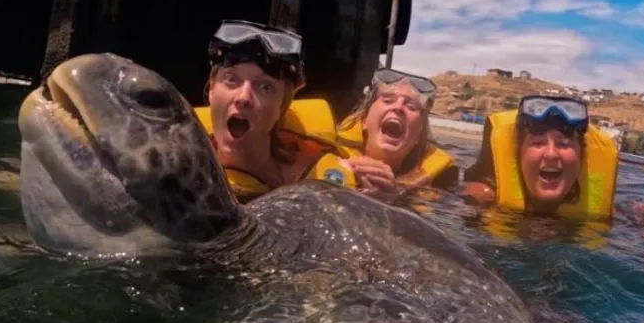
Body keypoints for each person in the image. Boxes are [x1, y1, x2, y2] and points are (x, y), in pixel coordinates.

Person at [194, 20, 354, 201]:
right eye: (232, 79)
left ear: (281, 108)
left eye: (265, 87)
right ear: (212, 90)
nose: (243, 97)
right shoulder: (182, 170)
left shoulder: (316, 173)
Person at [461, 95, 618, 218]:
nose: (551, 154)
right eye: (538, 143)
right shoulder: (478, 200)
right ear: (519, 153)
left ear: (582, 155)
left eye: (563, 144)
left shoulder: (613, 216)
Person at [334, 68, 459, 199]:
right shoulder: (326, 152)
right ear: (364, 120)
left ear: (419, 135)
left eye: (411, 107)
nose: (398, 107)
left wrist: (396, 200)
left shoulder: (439, 182)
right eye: (388, 100)